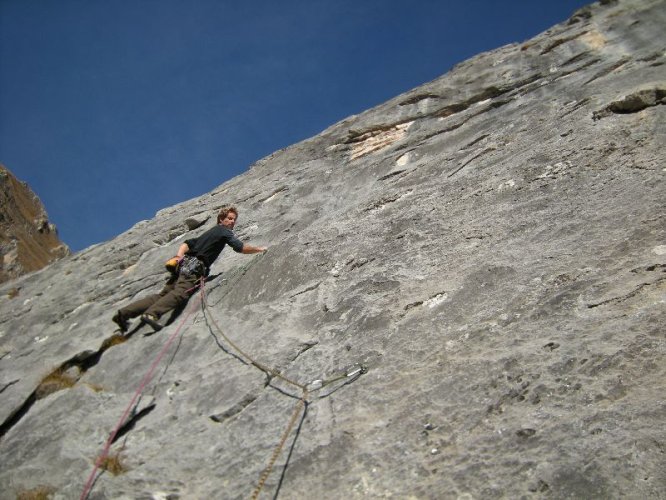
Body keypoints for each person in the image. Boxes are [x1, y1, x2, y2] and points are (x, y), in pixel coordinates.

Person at [112, 206, 267, 332]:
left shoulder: (209, 232)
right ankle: (152, 314)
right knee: (180, 293)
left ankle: (123, 314)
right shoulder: (224, 231)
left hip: (182, 266)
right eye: (230, 218)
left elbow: (187, 243)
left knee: (162, 295)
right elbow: (240, 247)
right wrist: (259, 249)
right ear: (221, 219)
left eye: (234, 220)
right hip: (194, 269)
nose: (233, 222)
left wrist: (179, 256)